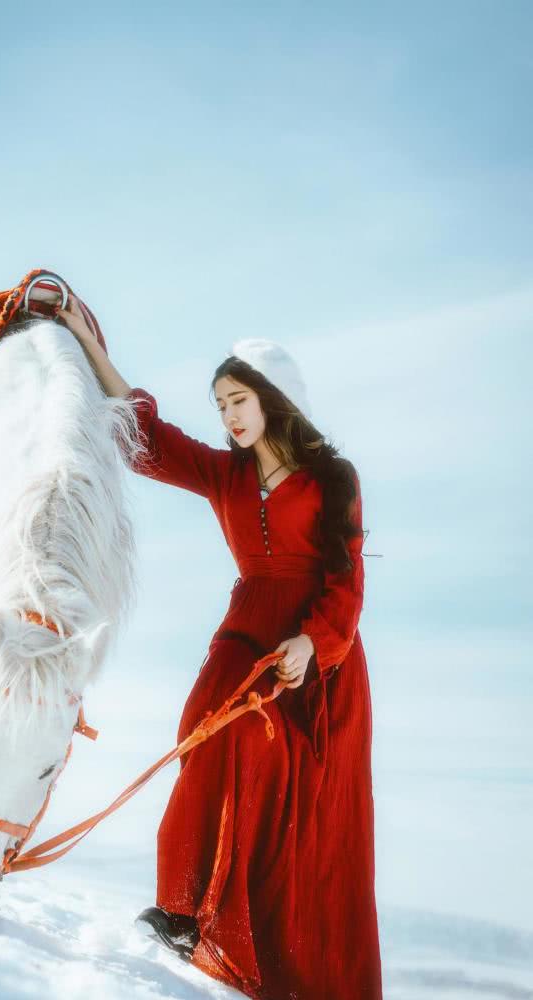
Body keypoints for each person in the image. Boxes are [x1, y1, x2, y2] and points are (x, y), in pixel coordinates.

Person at [55, 295, 383, 1000]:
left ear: (272, 400)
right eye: (221, 405)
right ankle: (183, 911)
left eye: (238, 401)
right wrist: (86, 340)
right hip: (245, 633)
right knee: (201, 738)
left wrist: (312, 643)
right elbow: (151, 435)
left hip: (316, 654)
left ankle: (284, 960)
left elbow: (347, 579)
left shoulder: (333, 477)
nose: (229, 416)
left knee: (279, 785)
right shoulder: (226, 474)